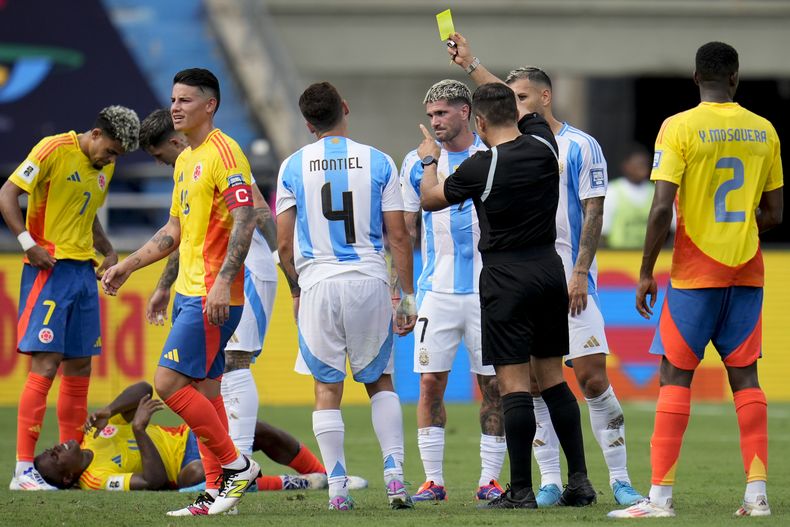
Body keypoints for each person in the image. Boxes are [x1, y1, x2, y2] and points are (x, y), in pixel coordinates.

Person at [447, 32, 641, 507]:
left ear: (543, 98)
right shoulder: (519, 143)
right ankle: (551, 479)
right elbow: (498, 102)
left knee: (591, 376)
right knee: (534, 382)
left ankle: (619, 476)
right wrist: (473, 65)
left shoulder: (579, 145)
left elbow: (593, 211)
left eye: (522, 97)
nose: (513, 105)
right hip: (536, 275)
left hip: (570, 279)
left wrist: (580, 271)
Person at [609, 42, 783, 519]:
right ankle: (756, 495)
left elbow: (662, 206)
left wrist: (645, 272)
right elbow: (775, 213)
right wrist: (739, 230)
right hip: (747, 271)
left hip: (693, 272)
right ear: (735, 78)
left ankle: (660, 499)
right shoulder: (765, 130)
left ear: (694, 78)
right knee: (745, 377)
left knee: (674, 376)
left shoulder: (680, 126)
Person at [418, 82, 593, 509]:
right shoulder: (545, 145)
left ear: (477, 122)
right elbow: (514, 104)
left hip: (505, 276)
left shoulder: (481, 165)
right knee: (553, 381)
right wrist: (474, 66)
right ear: (517, 114)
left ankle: (520, 490)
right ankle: (581, 482)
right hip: (550, 269)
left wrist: (428, 160)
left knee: (513, 386)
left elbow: (429, 199)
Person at [100, 68, 259, 516]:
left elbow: (245, 219)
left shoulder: (226, 154)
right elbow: (174, 229)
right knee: (206, 393)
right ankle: (214, 491)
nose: (175, 107)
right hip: (191, 291)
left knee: (169, 385)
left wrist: (224, 281)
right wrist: (129, 266)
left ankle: (235, 465)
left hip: (213, 293)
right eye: (174, 99)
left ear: (210, 105)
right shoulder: (187, 158)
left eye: (186, 100)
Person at [276, 81, 418, 511]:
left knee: (327, 389)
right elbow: (399, 234)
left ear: (307, 123)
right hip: (369, 280)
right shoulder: (378, 161)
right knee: (380, 381)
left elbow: (283, 245)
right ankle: (395, 479)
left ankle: (337, 488)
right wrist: (407, 295)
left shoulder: (293, 166)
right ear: (345, 108)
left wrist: (297, 289)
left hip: (318, 281)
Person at [0, 106, 140, 491]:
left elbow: (87, 210)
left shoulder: (104, 167)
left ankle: (73, 461)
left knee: (79, 367)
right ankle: (24, 469)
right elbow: (7, 193)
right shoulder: (52, 149)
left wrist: (108, 249)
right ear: (95, 133)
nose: (110, 160)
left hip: (83, 274)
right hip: (49, 269)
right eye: (109, 151)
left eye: (116, 156)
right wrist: (28, 245)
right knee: (45, 365)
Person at [140, 109, 285, 467]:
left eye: (160, 156)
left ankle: (239, 462)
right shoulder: (188, 167)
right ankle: (226, 471)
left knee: (235, 362)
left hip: (244, 270)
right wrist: (164, 284)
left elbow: (256, 210)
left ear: (174, 142)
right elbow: (189, 235)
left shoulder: (221, 156)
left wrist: (284, 263)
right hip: (211, 277)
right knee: (209, 377)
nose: (161, 165)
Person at [399, 79, 505, 502]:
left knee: (493, 385)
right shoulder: (416, 161)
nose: (435, 122)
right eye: (430, 116)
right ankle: (433, 480)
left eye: (442, 113)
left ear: (465, 112)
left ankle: (490, 480)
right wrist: (404, 296)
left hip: (488, 291)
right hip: (436, 292)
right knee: (429, 384)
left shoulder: (492, 155)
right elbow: (405, 233)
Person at [33, 382, 362, 497]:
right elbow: (153, 480)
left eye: (50, 449)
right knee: (200, 476)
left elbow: (144, 390)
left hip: (186, 436)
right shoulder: (96, 480)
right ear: (67, 476)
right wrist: (137, 429)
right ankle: (297, 484)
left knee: (253, 428)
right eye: (54, 457)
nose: (56, 447)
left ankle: (329, 477)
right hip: (182, 469)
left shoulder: (94, 435)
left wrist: (111, 409)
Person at [602, 144, 656, 249]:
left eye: (645, 164)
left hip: (647, 255)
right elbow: (602, 233)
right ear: (626, 166)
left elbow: (671, 228)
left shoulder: (655, 192)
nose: (642, 167)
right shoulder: (612, 191)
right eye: (638, 164)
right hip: (618, 257)